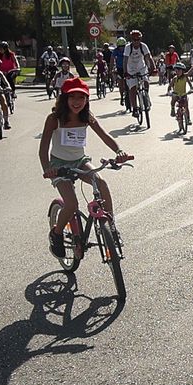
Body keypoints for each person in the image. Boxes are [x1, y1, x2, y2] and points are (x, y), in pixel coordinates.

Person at [39, 77, 133, 259]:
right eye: (72, 97)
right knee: (72, 203)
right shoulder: (54, 119)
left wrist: (119, 151)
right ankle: (56, 233)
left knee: (102, 183)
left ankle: (111, 227)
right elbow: (43, 150)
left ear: (87, 100)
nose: (76, 102)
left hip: (80, 161)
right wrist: (48, 169)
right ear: (64, 99)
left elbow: (105, 135)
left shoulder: (86, 118)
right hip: (58, 165)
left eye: (81, 98)